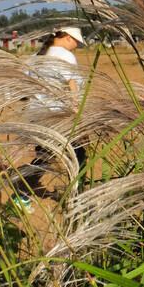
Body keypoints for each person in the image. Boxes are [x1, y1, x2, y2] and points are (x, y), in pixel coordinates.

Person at [14, 27, 87, 211]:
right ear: (68, 37)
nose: (77, 45)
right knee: (78, 156)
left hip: (37, 115)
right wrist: (79, 117)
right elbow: (73, 89)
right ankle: (75, 199)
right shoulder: (65, 56)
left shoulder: (37, 55)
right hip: (58, 117)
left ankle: (21, 191)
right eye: (76, 41)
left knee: (45, 157)